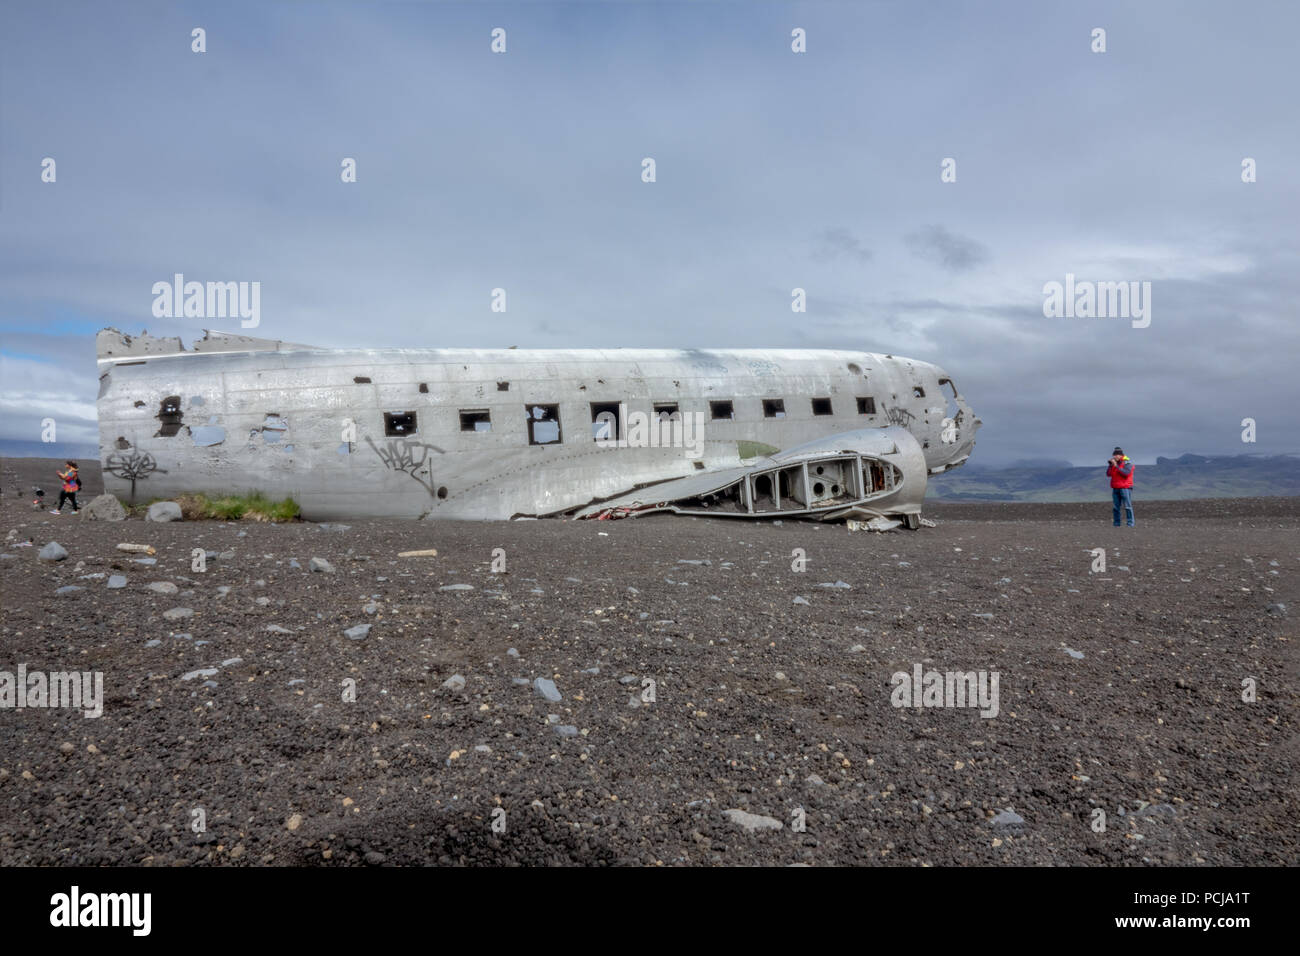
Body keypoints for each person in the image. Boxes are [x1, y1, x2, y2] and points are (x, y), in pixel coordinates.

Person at [1106, 446, 1134, 527]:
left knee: (1128, 506)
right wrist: (1110, 465)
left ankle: (1130, 524)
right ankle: (1117, 524)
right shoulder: (1114, 464)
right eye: (1114, 455)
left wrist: (1116, 466)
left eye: (1117, 455)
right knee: (1116, 507)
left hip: (1125, 488)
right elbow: (1108, 474)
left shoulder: (1127, 463)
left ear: (1121, 455)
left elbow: (1126, 473)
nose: (1115, 457)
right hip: (1115, 488)